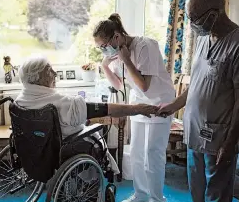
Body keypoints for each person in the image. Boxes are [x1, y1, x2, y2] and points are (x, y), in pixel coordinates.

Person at [157, 0, 239, 202]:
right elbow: (196, 84)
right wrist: (173, 104)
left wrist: (230, 141)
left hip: (219, 136)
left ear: (215, 14)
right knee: (197, 186)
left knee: (216, 192)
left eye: (195, 18)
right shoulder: (204, 40)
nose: (192, 24)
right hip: (194, 130)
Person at [15, 55, 160, 173]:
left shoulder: (20, 101)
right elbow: (107, 109)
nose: (55, 74)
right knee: (97, 140)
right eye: (49, 70)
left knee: (85, 123)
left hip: (34, 150)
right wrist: (137, 109)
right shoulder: (60, 104)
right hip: (60, 152)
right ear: (39, 77)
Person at [93, 13, 175, 202]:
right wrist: (105, 66)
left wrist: (127, 59)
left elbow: (144, 85)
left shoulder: (146, 45)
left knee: (153, 153)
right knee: (137, 151)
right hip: (138, 104)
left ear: (117, 37)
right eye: (100, 48)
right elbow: (120, 85)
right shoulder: (117, 55)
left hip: (159, 103)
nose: (104, 50)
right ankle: (141, 194)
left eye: (104, 45)